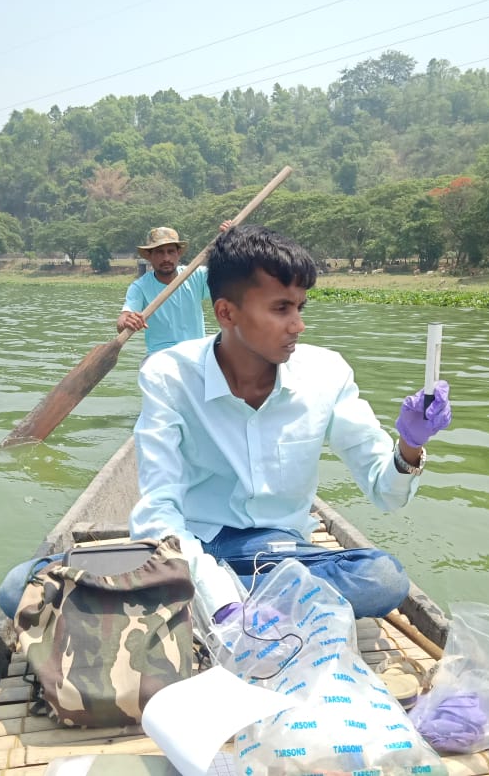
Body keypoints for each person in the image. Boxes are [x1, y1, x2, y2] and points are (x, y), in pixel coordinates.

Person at [128, 224, 452, 621]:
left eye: (300, 308)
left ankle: (211, 602)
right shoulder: (169, 376)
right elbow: (158, 508)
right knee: (29, 581)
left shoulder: (326, 373)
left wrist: (408, 444)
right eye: (281, 309)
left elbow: (386, 491)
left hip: (281, 551)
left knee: (383, 578)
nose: (297, 325)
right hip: (194, 543)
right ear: (226, 313)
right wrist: (218, 597)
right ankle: (238, 599)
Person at [116, 226, 211, 356]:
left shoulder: (196, 276)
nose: (166, 258)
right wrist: (128, 321)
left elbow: (233, 274)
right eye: (160, 252)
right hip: (160, 357)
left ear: (178, 253)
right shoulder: (140, 287)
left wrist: (228, 238)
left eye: (171, 251)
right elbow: (122, 320)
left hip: (196, 354)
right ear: (149, 256)